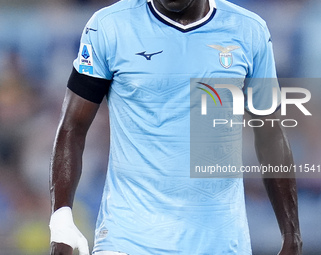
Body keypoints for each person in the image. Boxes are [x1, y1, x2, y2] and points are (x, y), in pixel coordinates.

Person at [49, 0, 302, 254]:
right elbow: (73, 126)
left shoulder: (249, 30)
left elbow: (270, 133)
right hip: (128, 238)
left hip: (222, 242)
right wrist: (61, 221)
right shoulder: (109, 26)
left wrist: (291, 233)